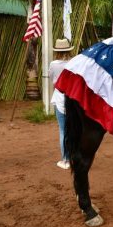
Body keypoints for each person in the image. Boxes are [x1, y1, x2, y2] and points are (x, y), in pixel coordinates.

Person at [49, 38, 74, 170]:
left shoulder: (53, 64)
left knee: (63, 130)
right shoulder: (73, 62)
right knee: (73, 129)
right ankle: (75, 157)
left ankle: (65, 159)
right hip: (73, 97)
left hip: (59, 96)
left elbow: (52, 80)